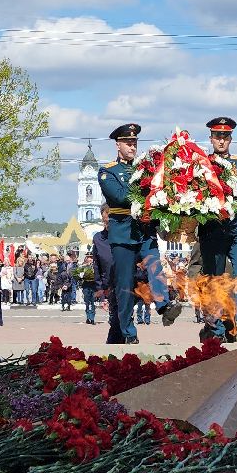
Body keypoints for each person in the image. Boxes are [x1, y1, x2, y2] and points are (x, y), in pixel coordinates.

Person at [197, 116, 237, 340]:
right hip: (212, 228)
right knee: (214, 278)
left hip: (236, 226)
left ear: (230, 139)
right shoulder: (200, 164)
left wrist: (221, 191)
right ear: (211, 138)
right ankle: (217, 329)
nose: (221, 141)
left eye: (225, 137)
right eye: (217, 136)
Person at [97, 123, 145, 344]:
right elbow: (120, 197)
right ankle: (126, 334)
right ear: (118, 145)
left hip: (143, 231)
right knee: (123, 291)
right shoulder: (108, 171)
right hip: (123, 235)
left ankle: (164, 304)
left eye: (134, 142)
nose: (132, 146)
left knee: (153, 271)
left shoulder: (146, 168)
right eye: (128, 142)